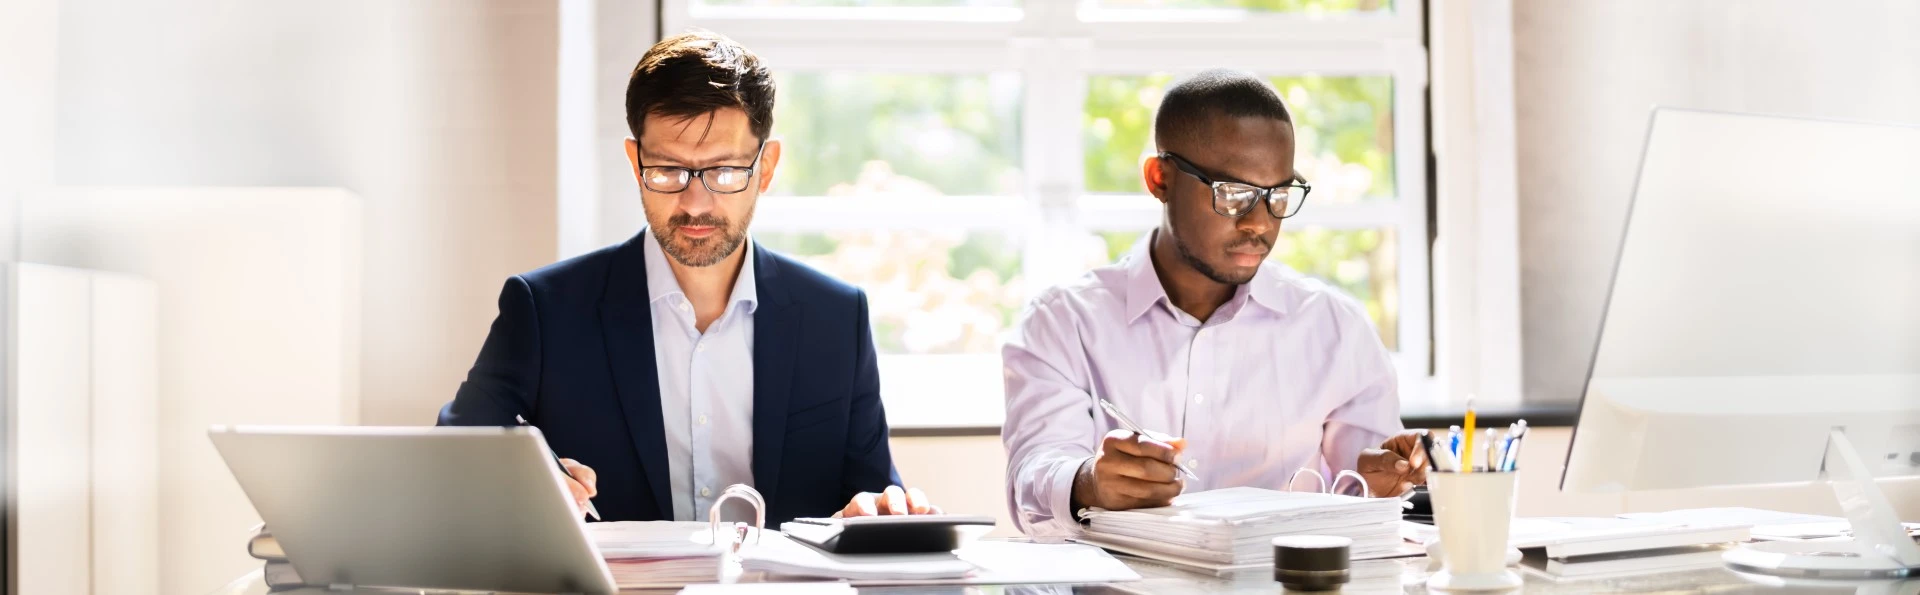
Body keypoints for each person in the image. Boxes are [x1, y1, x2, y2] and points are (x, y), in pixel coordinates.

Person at [439, 30, 935, 524]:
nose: (695, 203)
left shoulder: (837, 318)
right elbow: (457, 451)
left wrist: (880, 509)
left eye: (723, 171)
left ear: (766, 167)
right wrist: (528, 478)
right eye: (669, 170)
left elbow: (872, 492)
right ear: (636, 164)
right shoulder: (546, 309)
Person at [1001, 70, 1425, 537]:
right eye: (1235, 194)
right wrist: (1089, 483)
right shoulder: (1063, 322)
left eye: (1278, 195)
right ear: (1159, 179)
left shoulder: (1334, 327)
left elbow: (1369, 499)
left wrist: (1381, 481)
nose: (1259, 224)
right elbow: (1033, 477)